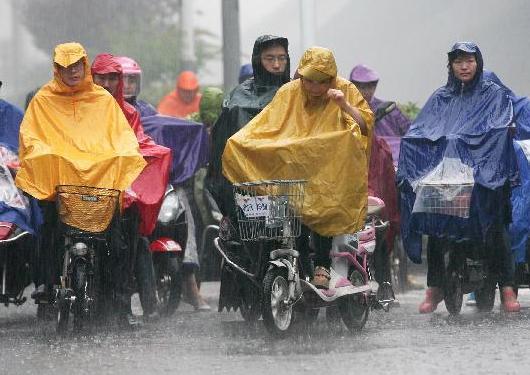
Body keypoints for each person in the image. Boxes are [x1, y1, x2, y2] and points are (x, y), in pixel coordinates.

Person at [222, 46, 374, 288]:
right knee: (295, 221)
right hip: (296, 173)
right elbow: (266, 126)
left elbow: (365, 126)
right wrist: (240, 144)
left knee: (323, 212)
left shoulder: (345, 90)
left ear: (331, 78)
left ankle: (323, 266)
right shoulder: (289, 93)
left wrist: (344, 105)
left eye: (321, 82)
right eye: (308, 81)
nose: (314, 88)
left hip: (330, 173)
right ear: (300, 76)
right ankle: (304, 269)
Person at [16, 42, 146, 325]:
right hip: (59, 185)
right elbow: (31, 136)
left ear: (84, 65)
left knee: (116, 238)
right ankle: (48, 285)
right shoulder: (43, 100)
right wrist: (45, 156)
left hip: (98, 185)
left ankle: (116, 303)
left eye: (76, 65)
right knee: (47, 230)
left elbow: (121, 137)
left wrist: (122, 156)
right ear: (56, 68)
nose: (72, 71)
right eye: (65, 67)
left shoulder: (101, 99)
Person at [397, 42, 520, 313]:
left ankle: (508, 287)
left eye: (469, 60)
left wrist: (468, 146)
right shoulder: (441, 97)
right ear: (450, 66)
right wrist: (412, 143)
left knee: (497, 224)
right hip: (448, 179)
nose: (464, 66)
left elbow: (499, 129)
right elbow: (420, 130)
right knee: (437, 224)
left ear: (479, 62)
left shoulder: (494, 95)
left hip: (485, 177)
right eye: (458, 61)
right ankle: (435, 287)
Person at [119, 57, 212, 311]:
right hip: (116, 182)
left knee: (183, 204)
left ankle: (190, 283)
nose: (127, 85)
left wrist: (201, 132)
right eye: (122, 78)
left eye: (132, 79)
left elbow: (168, 136)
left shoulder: (148, 111)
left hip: (147, 182)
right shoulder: (103, 110)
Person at [91, 53, 172, 320]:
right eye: (100, 77)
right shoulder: (78, 109)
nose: (106, 83)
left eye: (112, 78)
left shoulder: (130, 112)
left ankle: (126, 305)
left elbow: (135, 143)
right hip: (84, 188)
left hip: (117, 190)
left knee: (131, 239)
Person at [350, 64, 411, 165]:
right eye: (361, 87)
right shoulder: (346, 109)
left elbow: (411, 131)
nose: (366, 92)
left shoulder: (389, 108)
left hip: (394, 161)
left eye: (370, 86)